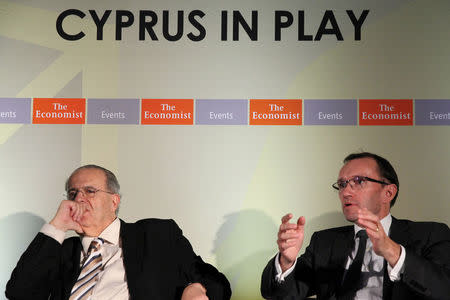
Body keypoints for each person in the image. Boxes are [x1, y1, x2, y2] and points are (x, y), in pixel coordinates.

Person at [6, 165, 231, 300]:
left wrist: (195, 288)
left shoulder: (156, 235)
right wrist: (57, 225)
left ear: (114, 201)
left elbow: (217, 283)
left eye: (89, 191)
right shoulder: (61, 251)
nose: (79, 198)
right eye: (72, 193)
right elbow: (19, 293)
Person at [261, 152, 450, 299]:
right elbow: (278, 295)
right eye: (342, 184)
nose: (346, 192)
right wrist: (286, 262)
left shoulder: (430, 234)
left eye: (359, 181)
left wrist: (392, 251)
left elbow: (444, 289)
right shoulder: (324, 242)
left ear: (389, 192)